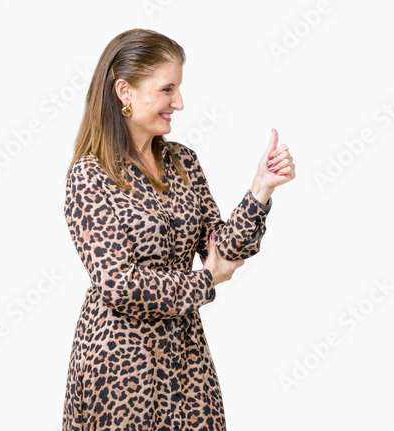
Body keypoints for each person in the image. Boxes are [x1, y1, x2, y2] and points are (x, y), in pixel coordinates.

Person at [62, 28, 296, 431]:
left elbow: (221, 247)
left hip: (185, 354)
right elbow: (118, 284)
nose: (180, 102)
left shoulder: (183, 161)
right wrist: (205, 282)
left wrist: (259, 191)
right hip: (119, 361)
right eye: (167, 89)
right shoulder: (90, 175)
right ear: (125, 92)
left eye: (179, 88)